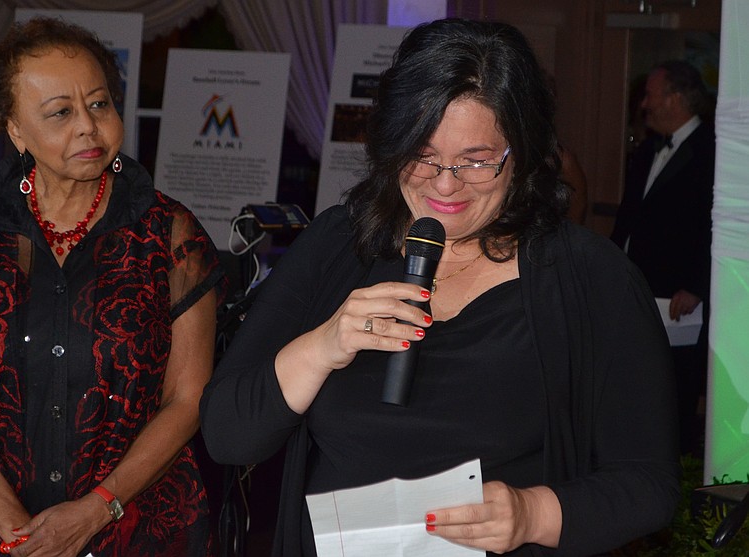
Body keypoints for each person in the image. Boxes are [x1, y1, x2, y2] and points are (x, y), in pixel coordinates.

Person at [201, 18, 680, 557]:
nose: (445, 183)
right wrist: (323, 346)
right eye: (422, 155)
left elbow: (649, 484)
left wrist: (533, 514)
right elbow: (227, 435)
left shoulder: (593, 279)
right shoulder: (339, 244)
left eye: (476, 161)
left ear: (521, 155)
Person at [0, 17, 224, 557]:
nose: (88, 128)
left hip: (134, 528)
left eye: (99, 104)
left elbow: (188, 399)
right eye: (60, 113)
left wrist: (97, 509)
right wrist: (21, 534)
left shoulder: (169, 236)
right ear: (15, 129)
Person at [611, 60, 715, 456]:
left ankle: (675, 468)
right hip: (636, 287)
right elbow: (629, 218)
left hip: (677, 298)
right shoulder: (648, 149)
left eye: (650, 96)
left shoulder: (710, 150)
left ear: (674, 99)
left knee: (676, 388)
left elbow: (713, 227)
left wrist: (696, 285)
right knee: (637, 382)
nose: (643, 105)